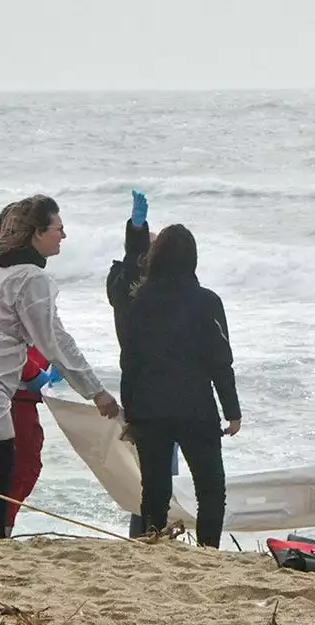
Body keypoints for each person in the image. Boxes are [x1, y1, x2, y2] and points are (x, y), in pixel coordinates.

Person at [0, 195, 120, 538]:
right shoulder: (30, 278)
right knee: (7, 464)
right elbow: (55, 340)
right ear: (37, 233)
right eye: (58, 229)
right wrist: (96, 392)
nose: (63, 236)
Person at [120, 224, 240, 548]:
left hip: (148, 407)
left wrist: (129, 410)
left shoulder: (140, 302)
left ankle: (154, 545)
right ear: (193, 260)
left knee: (155, 489)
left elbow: (129, 360)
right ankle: (208, 550)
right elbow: (220, 360)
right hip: (194, 408)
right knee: (211, 488)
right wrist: (233, 411)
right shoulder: (206, 302)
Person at [0, 212, 61, 537]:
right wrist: (34, 370)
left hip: (14, 383)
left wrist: (48, 363)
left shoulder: (6, 268)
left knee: (11, 462)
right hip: (7, 386)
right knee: (15, 463)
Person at [106, 190, 175, 536]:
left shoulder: (158, 291)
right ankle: (145, 533)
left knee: (157, 474)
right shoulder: (127, 288)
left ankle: (148, 531)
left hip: (160, 389)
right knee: (153, 474)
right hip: (146, 390)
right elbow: (134, 269)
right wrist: (137, 232)